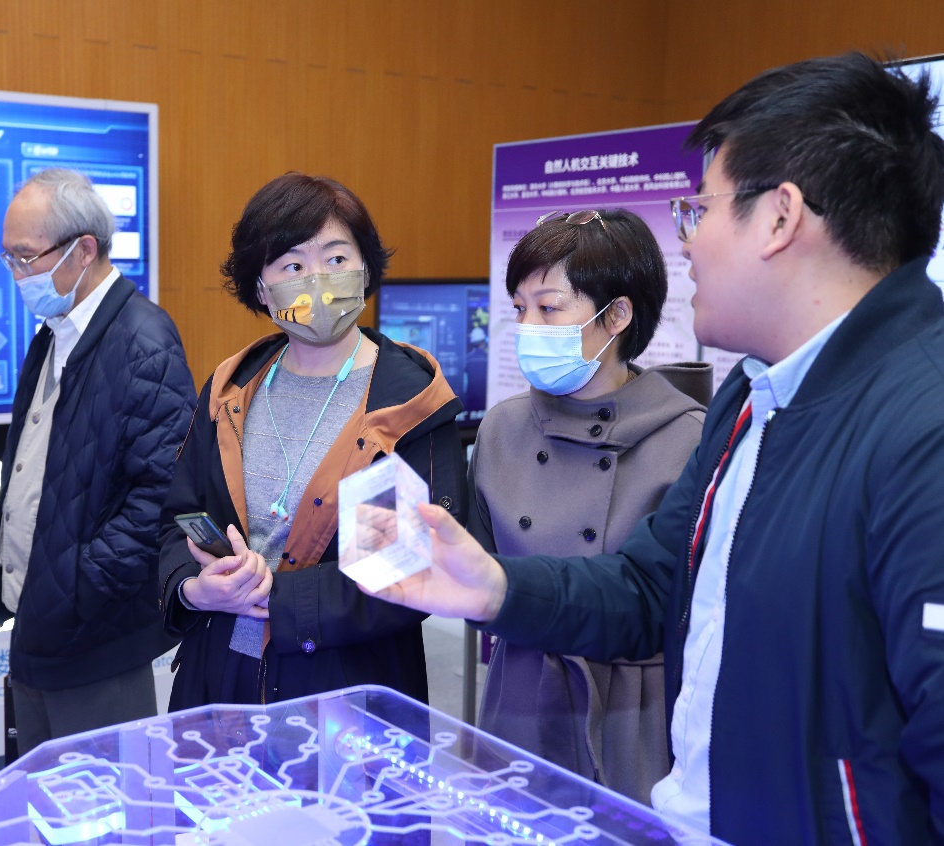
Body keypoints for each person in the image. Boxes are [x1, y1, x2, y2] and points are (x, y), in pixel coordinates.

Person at [367, 53, 944, 843]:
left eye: (697, 210)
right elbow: (650, 589)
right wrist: (492, 587)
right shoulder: (753, 397)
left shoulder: (920, 423)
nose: (687, 244)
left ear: (779, 218)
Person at [158, 173, 466, 708]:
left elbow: (407, 568)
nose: (318, 280)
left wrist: (276, 598)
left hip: (346, 693)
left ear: (365, 270)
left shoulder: (403, 400)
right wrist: (192, 586)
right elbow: (177, 520)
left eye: (336, 258)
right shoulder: (231, 387)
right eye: (293, 266)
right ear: (261, 287)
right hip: (218, 677)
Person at [470, 209, 709, 804]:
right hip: (518, 698)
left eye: (549, 308)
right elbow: (476, 585)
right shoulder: (501, 429)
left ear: (617, 316)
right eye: (520, 309)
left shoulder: (688, 438)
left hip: (633, 713)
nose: (528, 327)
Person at [0, 168, 195, 755]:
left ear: (83, 251)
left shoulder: (143, 340)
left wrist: (79, 587)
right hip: (41, 619)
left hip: (94, 635)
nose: (18, 274)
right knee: (41, 791)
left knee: (103, 798)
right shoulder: (56, 332)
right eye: (9, 259)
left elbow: (159, 496)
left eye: (26, 258)